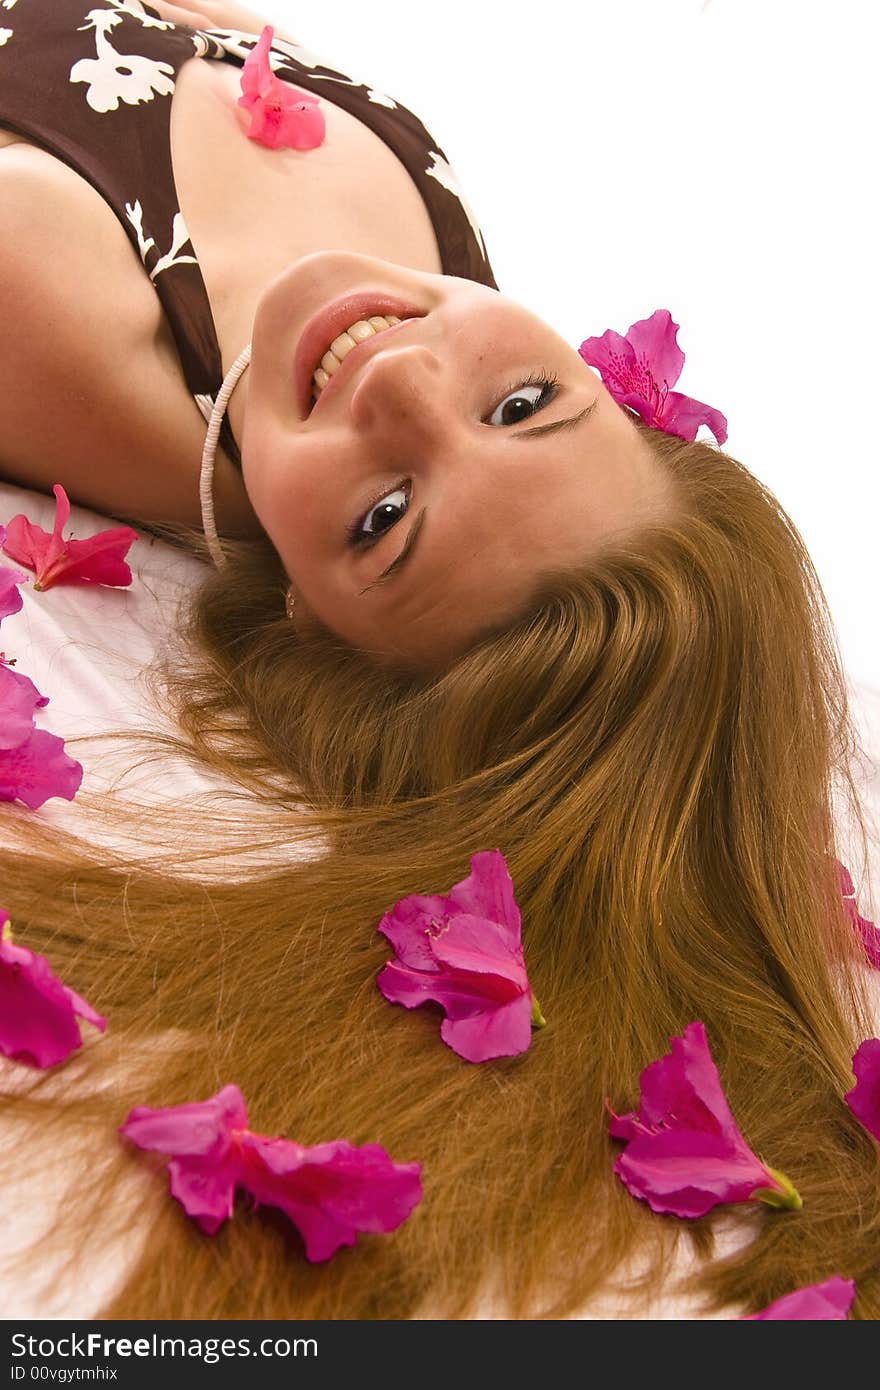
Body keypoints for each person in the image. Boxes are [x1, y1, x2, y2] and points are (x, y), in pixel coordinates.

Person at [0, 0, 878, 1320]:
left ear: (308, 613)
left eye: (383, 519)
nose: (396, 378)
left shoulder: (77, 339)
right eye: (526, 406)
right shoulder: (433, 241)